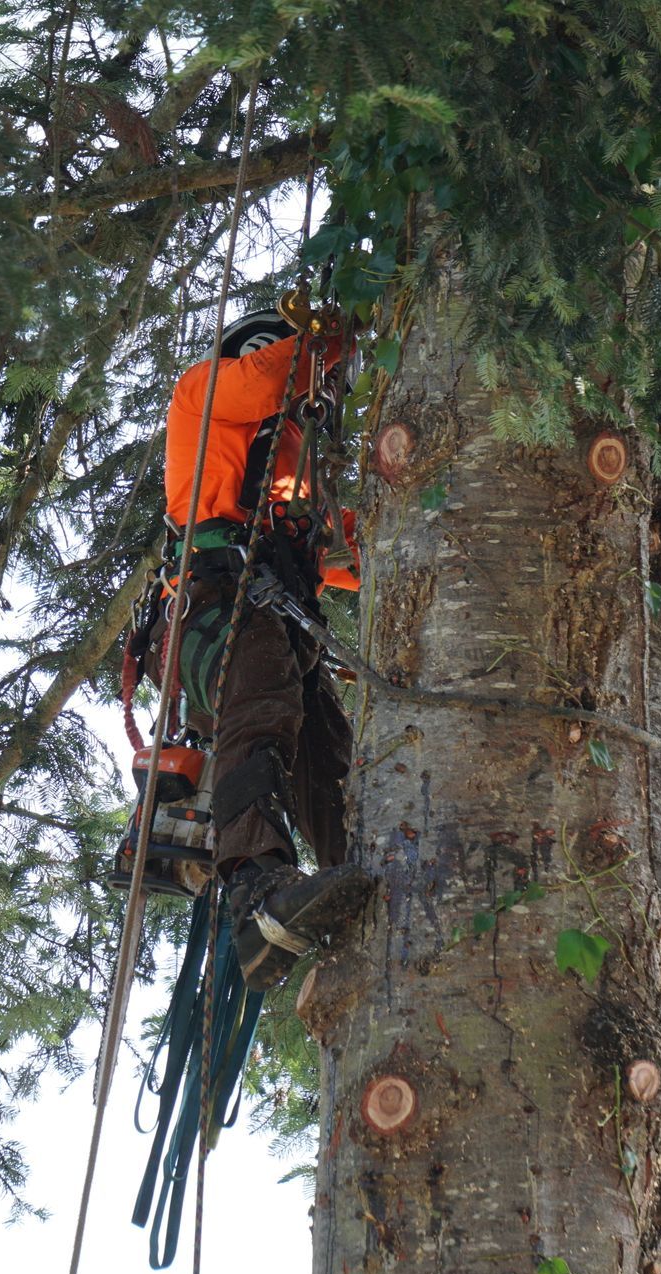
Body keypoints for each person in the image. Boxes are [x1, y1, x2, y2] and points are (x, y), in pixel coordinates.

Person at [153, 307, 372, 992]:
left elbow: (353, 555)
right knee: (260, 714)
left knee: (329, 759)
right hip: (217, 601)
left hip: (275, 619)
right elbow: (266, 384)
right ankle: (254, 887)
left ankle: (364, 885)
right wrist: (338, 336)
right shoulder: (206, 392)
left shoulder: (297, 486)